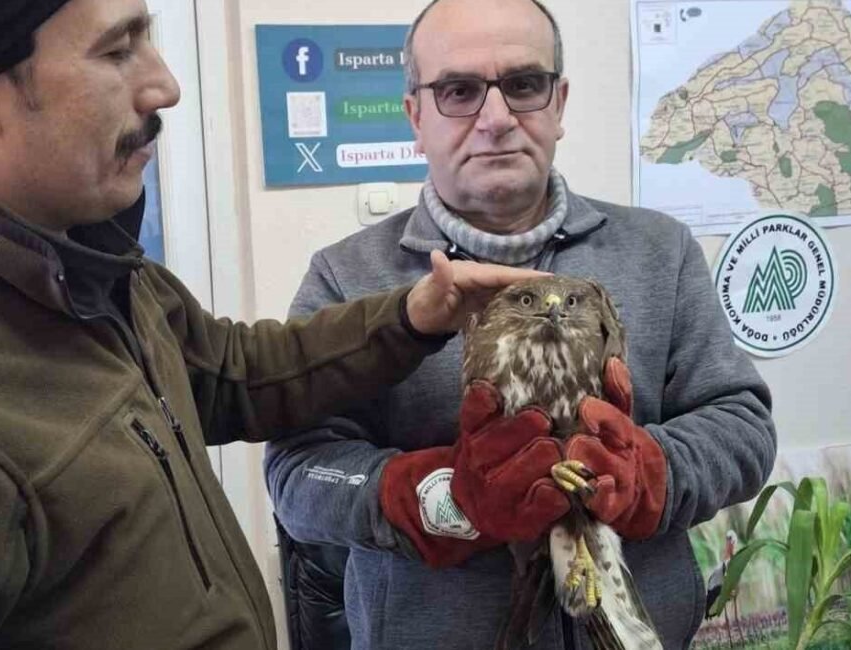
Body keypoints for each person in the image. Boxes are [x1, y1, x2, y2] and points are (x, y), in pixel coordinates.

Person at [0, 0, 548, 648]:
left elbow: (233, 374)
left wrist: (411, 316)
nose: (164, 86)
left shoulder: (84, 259)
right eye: (117, 50)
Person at [264, 0, 777, 648]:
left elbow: (742, 423)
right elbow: (298, 473)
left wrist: (652, 472)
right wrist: (436, 497)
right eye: (458, 91)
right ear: (415, 117)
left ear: (558, 104)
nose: (497, 119)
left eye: (524, 85)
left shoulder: (661, 251)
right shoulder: (345, 278)